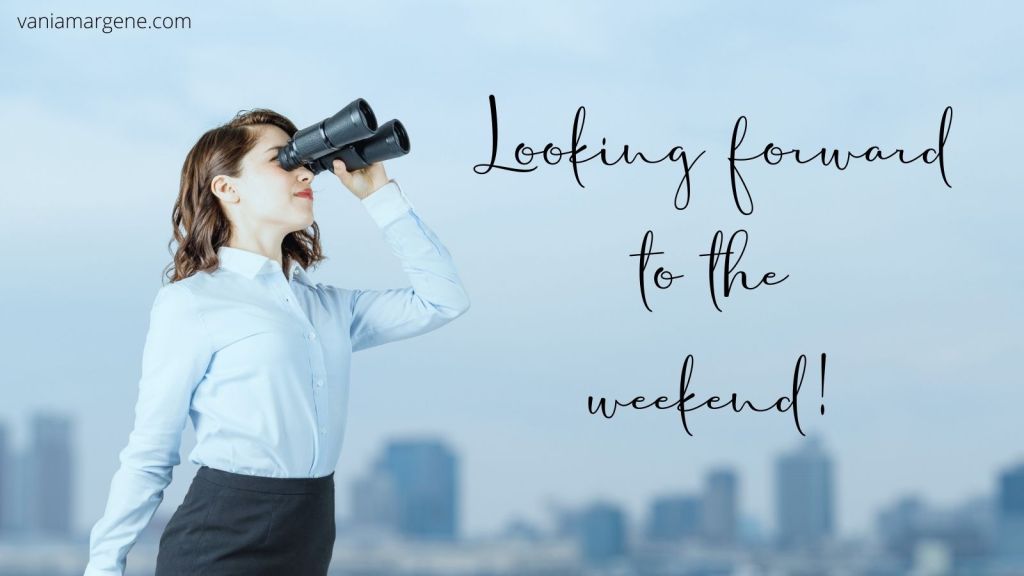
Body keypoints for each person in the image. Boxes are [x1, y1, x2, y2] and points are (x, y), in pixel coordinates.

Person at [82, 108, 470, 576]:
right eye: (282, 159)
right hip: (222, 538)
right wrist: (104, 567)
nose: (305, 170)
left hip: (308, 533)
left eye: (304, 158)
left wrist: (380, 197)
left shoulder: (326, 307)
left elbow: (443, 300)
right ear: (227, 188)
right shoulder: (192, 303)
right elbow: (150, 452)